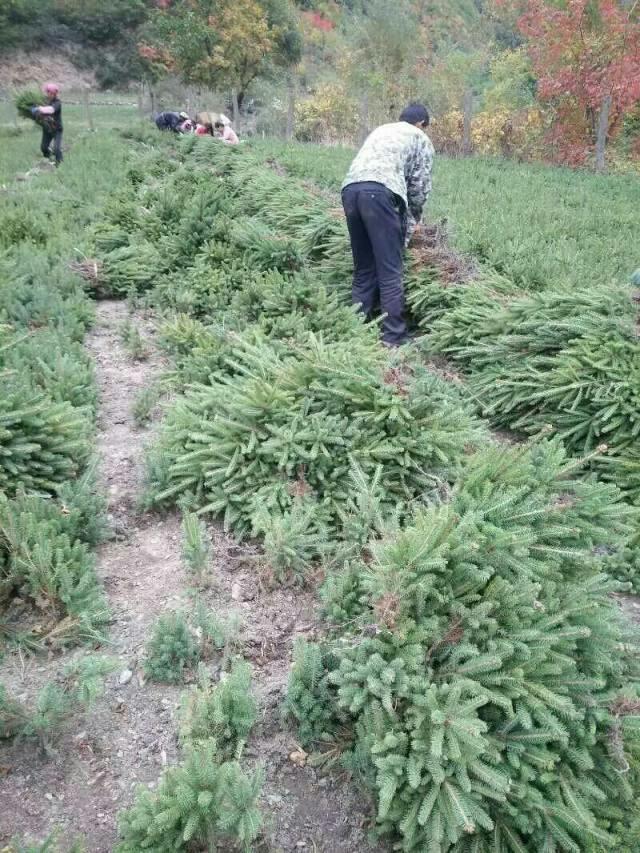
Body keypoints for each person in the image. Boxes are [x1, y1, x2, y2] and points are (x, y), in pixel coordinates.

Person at [341, 103, 434, 346]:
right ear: (421, 124)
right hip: (380, 193)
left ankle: (354, 328)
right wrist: (411, 223)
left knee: (364, 267)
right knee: (390, 268)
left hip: (350, 190)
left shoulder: (382, 129)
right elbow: (419, 188)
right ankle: (394, 336)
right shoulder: (420, 138)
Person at [34, 82, 63, 166]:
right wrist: (34, 110)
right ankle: (49, 159)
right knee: (43, 148)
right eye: (50, 93)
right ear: (47, 93)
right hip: (47, 129)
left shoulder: (57, 103)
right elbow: (37, 113)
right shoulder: (43, 101)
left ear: (56, 94)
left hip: (57, 129)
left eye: (53, 94)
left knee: (56, 149)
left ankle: (60, 163)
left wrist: (39, 108)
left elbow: (51, 110)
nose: (51, 95)